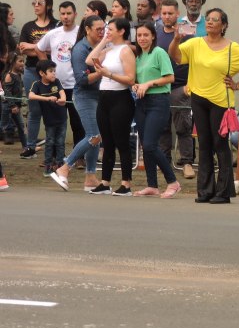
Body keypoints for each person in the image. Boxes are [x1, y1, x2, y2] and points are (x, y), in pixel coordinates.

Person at [169, 7, 239, 204]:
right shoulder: (195, 43)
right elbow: (176, 57)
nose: (210, 22)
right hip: (198, 99)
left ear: (224, 25)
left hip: (221, 101)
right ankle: (204, 191)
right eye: (208, 19)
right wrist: (176, 39)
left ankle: (223, 191)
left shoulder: (232, 48)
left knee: (220, 144)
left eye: (215, 19)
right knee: (204, 144)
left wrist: (238, 85)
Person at [49, 16, 105, 192]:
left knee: (97, 137)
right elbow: (81, 80)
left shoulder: (101, 46)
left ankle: (90, 178)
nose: (102, 32)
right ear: (88, 29)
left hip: (99, 95)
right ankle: (64, 167)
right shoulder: (80, 49)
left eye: (104, 29)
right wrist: (103, 72)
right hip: (85, 96)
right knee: (93, 136)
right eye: (98, 29)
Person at [86, 17, 137, 196]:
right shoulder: (108, 49)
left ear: (122, 31)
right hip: (104, 97)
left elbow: (131, 79)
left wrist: (109, 74)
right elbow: (89, 61)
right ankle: (105, 182)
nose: (107, 31)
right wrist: (103, 42)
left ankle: (126, 184)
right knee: (107, 142)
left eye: (111, 29)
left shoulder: (125, 51)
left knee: (121, 142)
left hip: (120, 99)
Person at [132, 22, 180, 198]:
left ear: (153, 36)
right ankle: (152, 185)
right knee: (146, 146)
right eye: (139, 35)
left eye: (146, 35)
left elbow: (170, 77)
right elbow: (137, 79)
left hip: (158, 101)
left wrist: (149, 83)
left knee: (152, 144)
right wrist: (137, 86)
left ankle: (173, 182)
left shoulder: (159, 52)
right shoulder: (138, 56)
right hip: (142, 102)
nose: (142, 38)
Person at [36, 1, 84, 152]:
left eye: (69, 13)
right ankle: (55, 157)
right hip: (56, 86)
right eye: (62, 13)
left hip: (76, 85)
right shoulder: (53, 33)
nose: (66, 17)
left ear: (75, 14)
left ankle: (79, 156)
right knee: (55, 123)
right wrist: (47, 68)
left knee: (78, 123)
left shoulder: (81, 33)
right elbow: (38, 48)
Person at [156, 0, 195, 180]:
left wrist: (191, 84)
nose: (167, 16)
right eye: (164, 13)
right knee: (162, 126)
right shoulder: (155, 34)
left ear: (178, 14)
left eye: (170, 13)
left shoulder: (187, 34)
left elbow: (195, 60)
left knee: (183, 126)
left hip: (181, 86)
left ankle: (186, 162)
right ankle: (164, 161)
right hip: (160, 86)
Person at [17, 0, 57, 158]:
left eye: (40, 3)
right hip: (32, 71)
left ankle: (53, 147)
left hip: (51, 72)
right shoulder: (28, 26)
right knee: (33, 110)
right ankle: (30, 146)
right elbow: (22, 49)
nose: (36, 5)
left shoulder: (56, 25)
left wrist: (33, 46)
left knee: (52, 109)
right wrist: (40, 48)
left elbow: (54, 48)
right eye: (34, 3)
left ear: (48, 5)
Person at [28, 59, 67, 176]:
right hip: (49, 121)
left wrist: (62, 99)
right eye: (51, 71)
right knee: (50, 142)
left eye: (54, 71)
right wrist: (47, 98)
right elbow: (31, 96)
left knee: (60, 142)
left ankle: (60, 166)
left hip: (62, 119)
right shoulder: (37, 85)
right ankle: (48, 166)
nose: (54, 73)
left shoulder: (57, 82)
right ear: (42, 73)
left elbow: (62, 93)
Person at [2, 53, 26, 147]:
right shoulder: (9, 76)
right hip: (8, 106)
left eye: (23, 61)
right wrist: (13, 106)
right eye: (20, 61)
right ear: (13, 62)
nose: (22, 63)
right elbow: (8, 93)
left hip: (16, 106)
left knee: (21, 126)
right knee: (3, 126)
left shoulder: (19, 75)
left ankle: (26, 146)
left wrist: (18, 105)